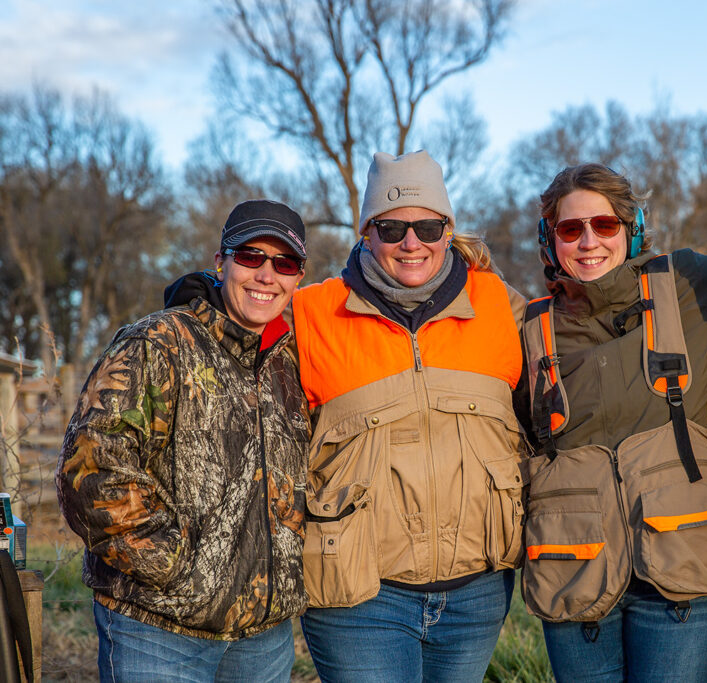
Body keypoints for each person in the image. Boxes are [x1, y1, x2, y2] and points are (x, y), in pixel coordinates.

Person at [292, 150, 528, 682]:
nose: (411, 242)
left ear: (448, 229)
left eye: (427, 225)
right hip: (357, 597)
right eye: (393, 227)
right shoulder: (311, 314)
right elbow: (244, 326)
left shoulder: (503, 307)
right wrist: (202, 309)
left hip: (477, 594)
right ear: (367, 232)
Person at [56, 200, 310, 683]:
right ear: (222, 260)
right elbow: (90, 472)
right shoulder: (156, 342)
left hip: (263, 639)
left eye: (285, 263)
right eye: (251, 257)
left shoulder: (293, 361)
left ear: (298, 276)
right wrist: (180, 570)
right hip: (159, 632)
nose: (266, 275)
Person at [521, 163, 707, 682]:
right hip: (574, 571)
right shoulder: (528, 329)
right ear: (550, 241)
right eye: (571, 229)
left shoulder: (691, 282)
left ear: (633, 226)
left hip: (685, 573)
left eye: (606, 225)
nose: (589, 241)